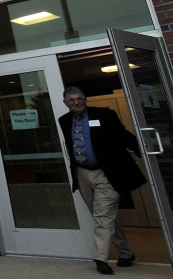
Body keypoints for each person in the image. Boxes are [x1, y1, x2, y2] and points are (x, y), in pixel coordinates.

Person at [58, 86, 146, 275]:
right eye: (72, 100)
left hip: (106, 173)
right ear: (65, 103)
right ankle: (125, 253)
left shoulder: (105, 115)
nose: (76, 102)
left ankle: (100, 258)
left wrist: (146, 153)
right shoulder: (64, 121)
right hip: (82, 173)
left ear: (85, 99)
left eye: (80, 98)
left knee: (103, 216)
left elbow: (123, 136)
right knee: (102, 217)